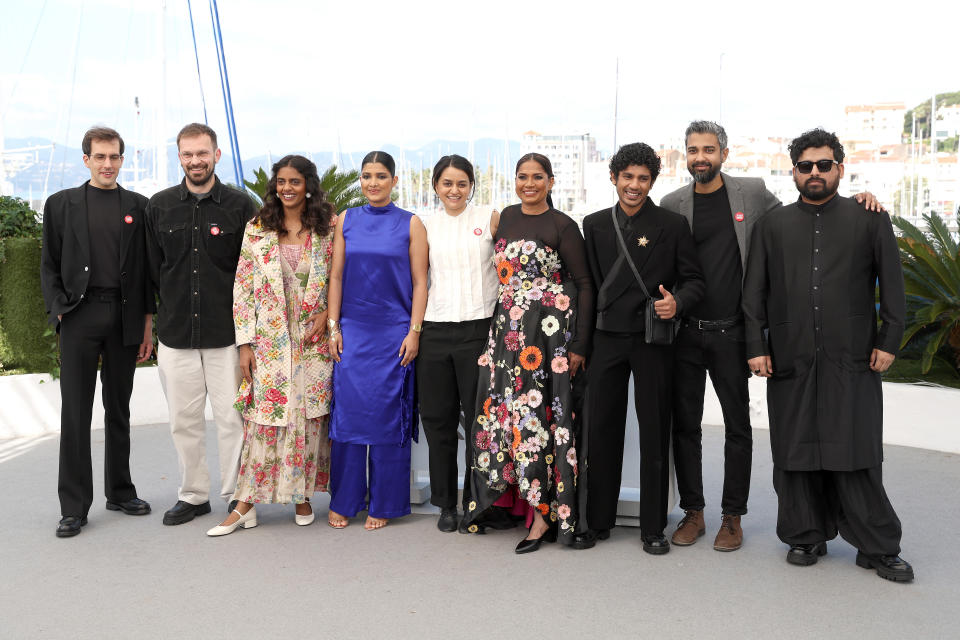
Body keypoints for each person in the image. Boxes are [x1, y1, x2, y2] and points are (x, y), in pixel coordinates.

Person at [661, 120, 884, 551]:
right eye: (693, 150)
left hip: (732, 333)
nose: (700, 157)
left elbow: (804, 216)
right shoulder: (673, 204)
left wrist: (860, 200)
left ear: (723, 153)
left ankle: (732, 517)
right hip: (685, 333)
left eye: (708, 149)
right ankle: (693, 512)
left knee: (737, 428)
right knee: (685, 427)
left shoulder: (754, 193)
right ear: (685, 155)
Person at [742, 128, 913, 582]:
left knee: (855, 449)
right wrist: (756, 347)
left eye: (823, 164)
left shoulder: (869, 219)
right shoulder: (771, 226)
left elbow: (892, 286)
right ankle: (806, 534)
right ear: (793, 171)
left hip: (852, 355)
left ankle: (876, 545)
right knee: (794, 450)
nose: (814, 173)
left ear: (840, 167)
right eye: (805, 166)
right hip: (789, 355)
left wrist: (889, 340)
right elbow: (753, 294)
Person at [465, 152, 595, 553]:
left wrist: (579, 345)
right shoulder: (504, 216)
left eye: (538, 177)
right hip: (507, 338)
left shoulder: (562, 225)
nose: (529, 183)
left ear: (551, 182)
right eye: (523, 176)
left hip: (548, 342)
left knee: (541, 421)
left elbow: (585, 284)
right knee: (504, 418)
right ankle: (505, 503)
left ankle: (543, 518)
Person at [579, 142, 704, 554]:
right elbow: (589, 288)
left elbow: (694, 281)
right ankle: (598, 520)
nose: (634, 185)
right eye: (627, 177)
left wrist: (677, 302)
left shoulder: (672, 224)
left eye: (643, 178)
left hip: (654, 339)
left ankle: (653, 526)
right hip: (606, 338)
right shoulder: (593, 224)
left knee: (654, 429)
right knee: (601, 429)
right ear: (613, 177)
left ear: (653, 181)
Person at [206, 155, 335, 536]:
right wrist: (244, 344)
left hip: (313, 337)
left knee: (309, 418)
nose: (287, 188)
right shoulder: (257, 228)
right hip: (270, 339)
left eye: (294, 181)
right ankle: (243, 505)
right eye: (281, 181)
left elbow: (340, 279)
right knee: (264, 418)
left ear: (308, 184)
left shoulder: (327, 229)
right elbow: (242, 288)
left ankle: (302, 496)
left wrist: (328, 311)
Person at [41, 126, 154, 538]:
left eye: (115, 157)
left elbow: (144, 273)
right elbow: (49, 265)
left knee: (119, 410)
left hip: (124, 318)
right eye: (100, 157)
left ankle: (120, 492)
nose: (108, 164)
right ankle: (73, 506)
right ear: (86, 159)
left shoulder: (138, 207)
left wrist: (147, 323)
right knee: (75, 414)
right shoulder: (60, 205)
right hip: (79, 317)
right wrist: (60, 313)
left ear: (123, 160)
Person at [145, 123, 257, 525]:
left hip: (227, 335)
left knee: (232, 419)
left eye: (202, 153)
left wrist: (252, 337)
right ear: (180, 157)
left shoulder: (241, 206)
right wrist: (152, 324)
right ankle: (192, 496)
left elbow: (253, 274)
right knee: (183, 422)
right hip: (176, 335)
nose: (195, 161)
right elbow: (151, 271)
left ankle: (235, 496)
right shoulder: (157, 207)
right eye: (188, 154)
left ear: (216, 155)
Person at [325, 151, 428, 530]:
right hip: (352, 331)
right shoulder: (345, 220)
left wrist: (414, 331)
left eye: (381, 176)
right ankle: (345, 499)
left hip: (394, 334)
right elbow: (335, 277)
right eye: (367, 175)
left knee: (388, 417)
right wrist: (334, 327)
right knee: (348, 417)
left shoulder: (411, 223)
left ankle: (385, 503)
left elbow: (420, 282)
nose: (372, 182)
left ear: (394, 181)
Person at [418, 155, 499, 532]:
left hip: (479, 330)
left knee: (481, 421)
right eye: (447, 183)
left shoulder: (489, 218)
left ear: (471, 186)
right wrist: (414, 331)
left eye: (462, 183)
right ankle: (446, 504)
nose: (454, 190)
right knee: (439, 421)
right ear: (436, 186)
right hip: (435, 330)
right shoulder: (424, 225)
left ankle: (477, 500)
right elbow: (419, 281)